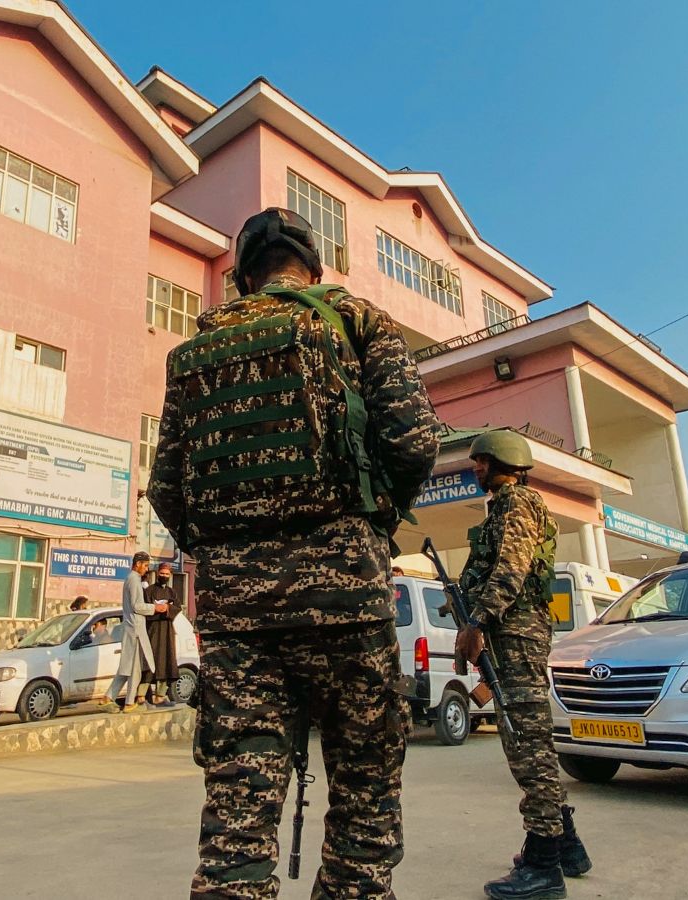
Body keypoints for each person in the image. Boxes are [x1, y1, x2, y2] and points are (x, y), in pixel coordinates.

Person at [148, 207, 439, 898]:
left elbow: (166, 489)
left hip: (239, 624)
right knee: (364, 798)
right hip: (348, 604)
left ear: (244, 277)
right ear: (313, 267)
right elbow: (414, 442)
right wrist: (371, 523)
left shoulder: (193, 353)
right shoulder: (356, 322)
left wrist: (228, 555)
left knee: (237, 819)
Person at [454, 429, 587, 899]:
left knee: (528, 747)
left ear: (504, 461)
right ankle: (566, 846)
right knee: (531, 745)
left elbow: (511, 569)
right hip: (511, 635)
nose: (476, 468)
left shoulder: (518, 504)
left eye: (482, 461)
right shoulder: (504, 507)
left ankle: (543, 866)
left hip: (516, 636)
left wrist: (477, 621)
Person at [100, 552, 155, 712]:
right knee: (134, 669)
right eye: (145, 565)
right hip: (135, 630)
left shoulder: (131, 579)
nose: (146, 569)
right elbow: (138, 606)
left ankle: (108, 697)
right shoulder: (134, 580)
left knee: (126, 667)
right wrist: (155, 607)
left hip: (131, 628)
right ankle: (130, 703)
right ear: (138, 564)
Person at [143, 562, 180, 706]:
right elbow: (145, 609)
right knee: (149, 662)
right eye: (162, 573)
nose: (164, 576)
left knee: (165, 661)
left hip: (167, 632)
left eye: (166, 574)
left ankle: (160, 696)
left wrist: (167, 608)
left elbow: (177, 608)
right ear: (157, 573)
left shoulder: (172, 592)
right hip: (152, 631)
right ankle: (141, 696)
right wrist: (157, 608)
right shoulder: (149, 591)